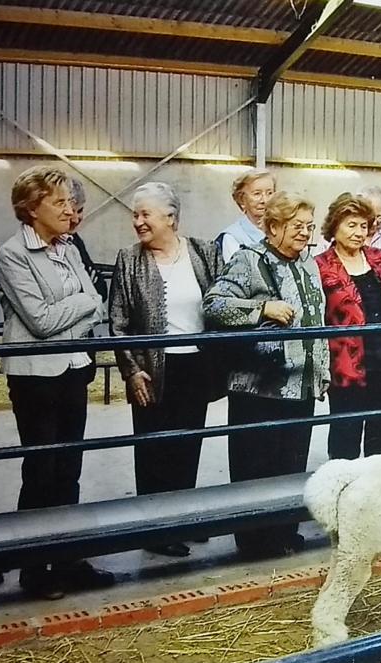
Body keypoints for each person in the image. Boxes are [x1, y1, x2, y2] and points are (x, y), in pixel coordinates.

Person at [0, 166, 112, 600]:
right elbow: (40, 321)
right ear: (31, 208)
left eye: (69, 202)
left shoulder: (67, 245)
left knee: (69, 469)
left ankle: (68, 558)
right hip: (35, 377)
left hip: (72, 369)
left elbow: (97, 305)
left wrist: (77, 304)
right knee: (41, 471)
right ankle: (34, 567)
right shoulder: (13, 254)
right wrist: (79, 303)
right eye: (59, 202)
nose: (69, 210)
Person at [204, 190, 329, 559]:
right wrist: (262, 308)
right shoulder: (248, 260)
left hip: (300, 383)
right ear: (273, 227)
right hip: (260, 388)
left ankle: (284, 531)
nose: (304, 233)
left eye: (308, 226)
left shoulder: (308, 263)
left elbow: (316, 320)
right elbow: (214, 305)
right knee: (257, 466)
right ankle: (255, 541)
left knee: (291, 463)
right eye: (296, 226)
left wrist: (320, 370)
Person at [109, 182, 224, 557]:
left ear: (170, 218)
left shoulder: (204, 252)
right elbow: (118, 322)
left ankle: (182, 518)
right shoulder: (129, 260)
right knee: (154, 448)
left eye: (145, 214)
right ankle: (155, 530)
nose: (138, 222)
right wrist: (130, 371)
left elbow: (220, 304)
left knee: (188, 443)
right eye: (135, 214)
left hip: (196, 364)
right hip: (152, 370)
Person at [315, 192, 381, 460]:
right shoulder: (320, 267)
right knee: (345, 442)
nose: (359, 232)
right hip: (346, 369)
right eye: (351, 225)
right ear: (334, 226)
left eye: (364, 226)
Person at [216, 168, 276, 263]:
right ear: (242, 199)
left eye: (270, 193)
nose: (265, 200)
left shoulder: (282, 231)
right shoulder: (232, 237)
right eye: (257, 194)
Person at [66, 177, 108, 301]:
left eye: (80, 211)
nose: (75, 218)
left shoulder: (74, 240)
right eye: (69, 212)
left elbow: (101, 291)